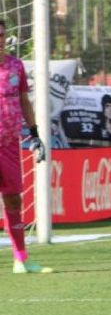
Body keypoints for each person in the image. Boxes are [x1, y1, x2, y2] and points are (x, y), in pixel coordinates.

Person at [0, 18, 51, 274]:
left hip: (9, 145)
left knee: (13, 199)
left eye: (1, 34)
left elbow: (24, 101)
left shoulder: (15, 66)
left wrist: (34, 132)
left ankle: (21, 258)